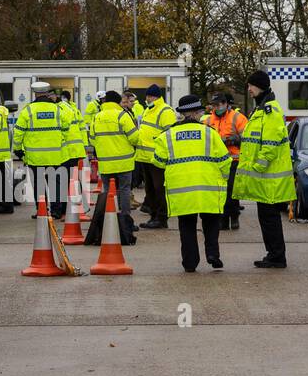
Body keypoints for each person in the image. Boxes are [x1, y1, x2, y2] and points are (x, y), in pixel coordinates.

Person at [154, 95, 230, 272]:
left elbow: (157, 160)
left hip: (182, 190)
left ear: (182, 114)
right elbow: (225, 160)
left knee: (187, 226)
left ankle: (190, 262)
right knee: (211, 223)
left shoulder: (168, 135)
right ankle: (213, 254)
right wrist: (223, 179)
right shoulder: (210, 133)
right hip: (208, 187)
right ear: (196, 113)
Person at [233, 70, 294, 269]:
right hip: (265, 178)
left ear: (259, 86)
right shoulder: (261, 109)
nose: (248, 89)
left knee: (269, 219)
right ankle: (274, 254)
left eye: (251, 85)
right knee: (267, 218)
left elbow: (269, 144)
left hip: (268, 178)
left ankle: (277, 256)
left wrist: (258, 167)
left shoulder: (270, 110)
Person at [82, 90, 139, 246]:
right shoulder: (122, 115)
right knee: (124, 191)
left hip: (106, 163)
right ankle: (125, 223)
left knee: (108, 192)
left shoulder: (96, 117)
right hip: (124, 162)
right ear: (117, 101)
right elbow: (134, 137)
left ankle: (109, 222)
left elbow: (92, 140)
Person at [13, 81, 73, 218]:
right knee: (55, 183)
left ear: (35, 93)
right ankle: (56, 211)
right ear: (47, 93)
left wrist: (17, 149)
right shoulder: (57, 109)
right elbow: (66, 126)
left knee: (39, 184)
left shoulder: (28, 110)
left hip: (35, 156)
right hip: (55, 155)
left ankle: (42, 210)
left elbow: (18, 132)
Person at [203, 91, 248, 230]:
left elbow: (247, 139)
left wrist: (233, 140)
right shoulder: (208, 121)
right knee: (219, 191)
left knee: (231, 191)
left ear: (226, 104)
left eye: (219, 104)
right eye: (214, 105)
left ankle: (233, 216)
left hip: (234, 159)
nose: (217, 107)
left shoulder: (238, 118)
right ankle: (223, 218)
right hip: (215, 161)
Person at [137, 85, 177, 229]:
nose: (147, 99)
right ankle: (153, 217)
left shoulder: (165, 111)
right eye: (147, 96)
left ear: (156, 97)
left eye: (149, 96)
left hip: (158, 158)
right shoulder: (148, 109)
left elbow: (169, 134)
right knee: (150, 190)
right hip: (145, 157)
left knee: (159, 188)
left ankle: (161, 218)